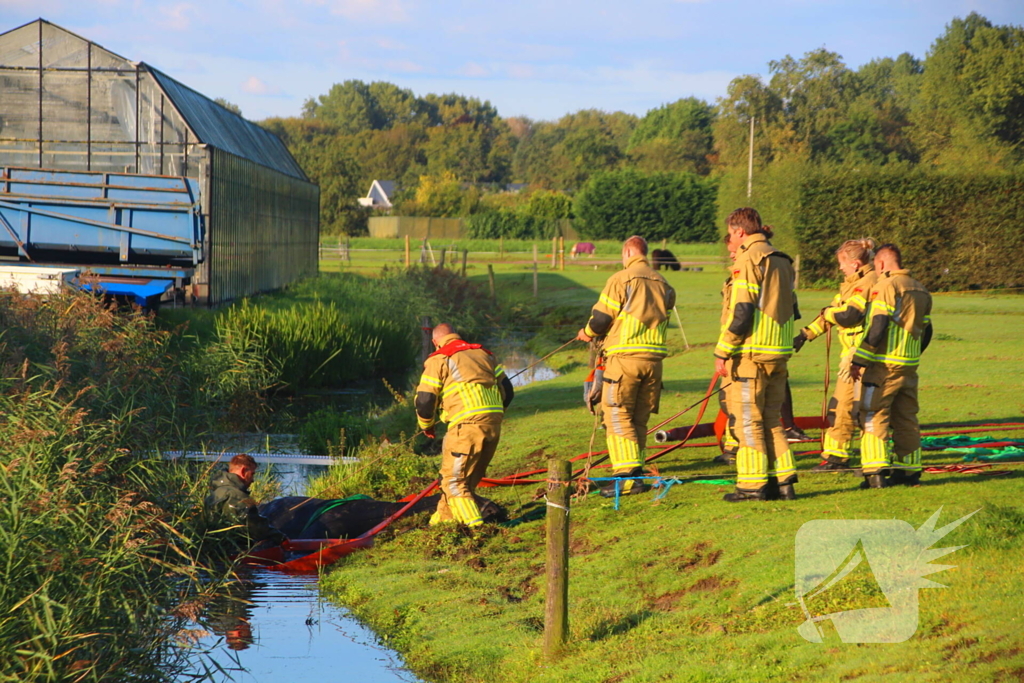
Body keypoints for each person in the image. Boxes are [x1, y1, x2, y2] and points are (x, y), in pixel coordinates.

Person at [577, 235, 676, 496]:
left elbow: (600, 319)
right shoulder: (664, 283)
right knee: (638, 418)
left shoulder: (621, 279)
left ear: (628, 252)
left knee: (616, 413)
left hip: (625, 358)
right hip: (654, 362)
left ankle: (627, 478)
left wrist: (587, 332)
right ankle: (638, 472)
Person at [714, 208, 799, 502]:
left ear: (739, 231)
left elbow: (743, 310)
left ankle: (752, 486)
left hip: (752, 354)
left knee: (747, 421)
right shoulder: (783, 260)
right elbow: (793, 308)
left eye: (731, 234)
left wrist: (723, 350)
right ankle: (784, 482)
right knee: (772, 420)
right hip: (779, 352)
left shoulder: (749, 259)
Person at [850, 244, 933, 488]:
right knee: (906, 418)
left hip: (883, 366)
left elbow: (878, 326)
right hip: (909, 366)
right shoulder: (921, 289)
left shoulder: (886, 286)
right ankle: (909, 471)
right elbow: (926, 331)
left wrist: (859, 360)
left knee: (872, 415)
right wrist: (911, 354)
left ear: (882, 264)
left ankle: (874, 472)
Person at [415, 323, 514, 527]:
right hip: (493, 423)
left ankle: (477, 529)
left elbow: (424, 400)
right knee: (465, 482)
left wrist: (427, 425)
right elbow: (508, 390)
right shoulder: (484, 353)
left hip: (466, 426)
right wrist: (492, 414)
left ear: (435, 342)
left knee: (453, 482)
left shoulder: (439, 358)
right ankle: (440, 523)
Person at [794, 239, 879, 472]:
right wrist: (804, 335)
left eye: (842, 264)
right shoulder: (852, 283)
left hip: (859, 355)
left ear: (855, 263)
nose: (840, 268)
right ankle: (838, 455)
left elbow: (849, 315)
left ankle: (836, 458)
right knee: (845, 405)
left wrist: (831, 314)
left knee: (843, 406)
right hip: (852, 355)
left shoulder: (867, 282)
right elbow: (829, 313)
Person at [205, 453, 287, 547]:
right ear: (243, 471)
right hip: (234, 549)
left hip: (215, 547)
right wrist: (280, 538)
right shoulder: (238, 496)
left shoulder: (216, 492)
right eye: (252, 474)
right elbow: (254, 528)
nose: (253, 480)